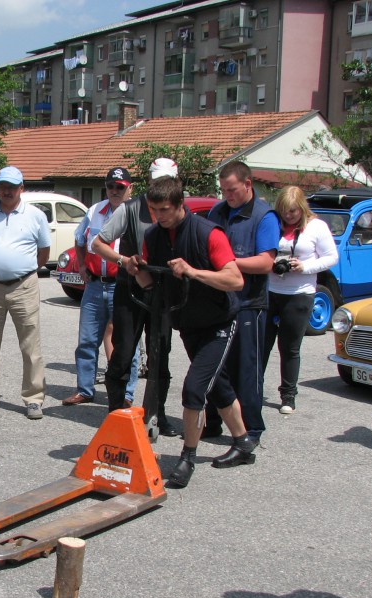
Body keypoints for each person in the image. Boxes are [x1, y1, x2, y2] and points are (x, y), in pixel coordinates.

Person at [132, 176, 254, 489]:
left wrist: (193, 271)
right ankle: (243, 444)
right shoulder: (153, 236)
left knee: (194, 388)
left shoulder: (207, 233)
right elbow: (151, 285)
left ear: (180, 204)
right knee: (218, 386)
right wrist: (138, 273)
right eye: (155, 210)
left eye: (166, 210)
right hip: (187, 323)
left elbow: (235, 281)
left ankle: (187, 456)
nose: (160, 216)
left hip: (219, 322)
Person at [90, 157, 182, 436]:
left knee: (160, 356)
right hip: (130, 290)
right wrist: (122, 260)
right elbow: (97, 243)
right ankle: (117, 413)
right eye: (156, 182)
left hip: (162, 293)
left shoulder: (179, 209)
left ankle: (157, 413)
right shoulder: (130, 209)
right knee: (123, 352)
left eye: (167, 182)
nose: (161, 187)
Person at [0, 166, 51, 420]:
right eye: (3, 186)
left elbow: (43, 253)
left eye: (13, 187)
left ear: (21, 189)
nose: (7, 191)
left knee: (30, 344)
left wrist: (22, 271)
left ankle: (33, 399)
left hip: (23, 285)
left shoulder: (35, 216)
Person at [205, 161, 279, 443]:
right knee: (216, 365)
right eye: (223, 190)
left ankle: (251, 429)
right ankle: (212, 421)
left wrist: (228, 262)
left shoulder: (264, 216)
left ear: (248, 185)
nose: (228, 195)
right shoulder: (218, 211)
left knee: (247, 369)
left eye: (232, 189)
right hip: (220, 301)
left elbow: (265, 262)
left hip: (250, 303)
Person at [62, 166, 139, 407]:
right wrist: (82, 266)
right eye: (110, 186)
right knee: (87, 340)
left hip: (123, 285)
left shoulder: (136, 213)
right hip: (95, 285)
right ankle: (85, 389)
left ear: (130, 188)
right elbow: (79, 238)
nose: (114, 191)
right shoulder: (95, 210)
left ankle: (126, 395)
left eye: (120, 187)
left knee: (126, 343)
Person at [261, 186, 338, 414]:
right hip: (271, 290)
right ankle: (253, 389)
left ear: (302, 208)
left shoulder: (316, 227)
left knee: (289, 348)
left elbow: (331, 257)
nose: (288, 215)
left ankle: (288, 395)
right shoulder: (274, 223)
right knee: (261, 345)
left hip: (299, 293)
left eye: (293, 211)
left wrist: (304, 267)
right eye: (284, 211)